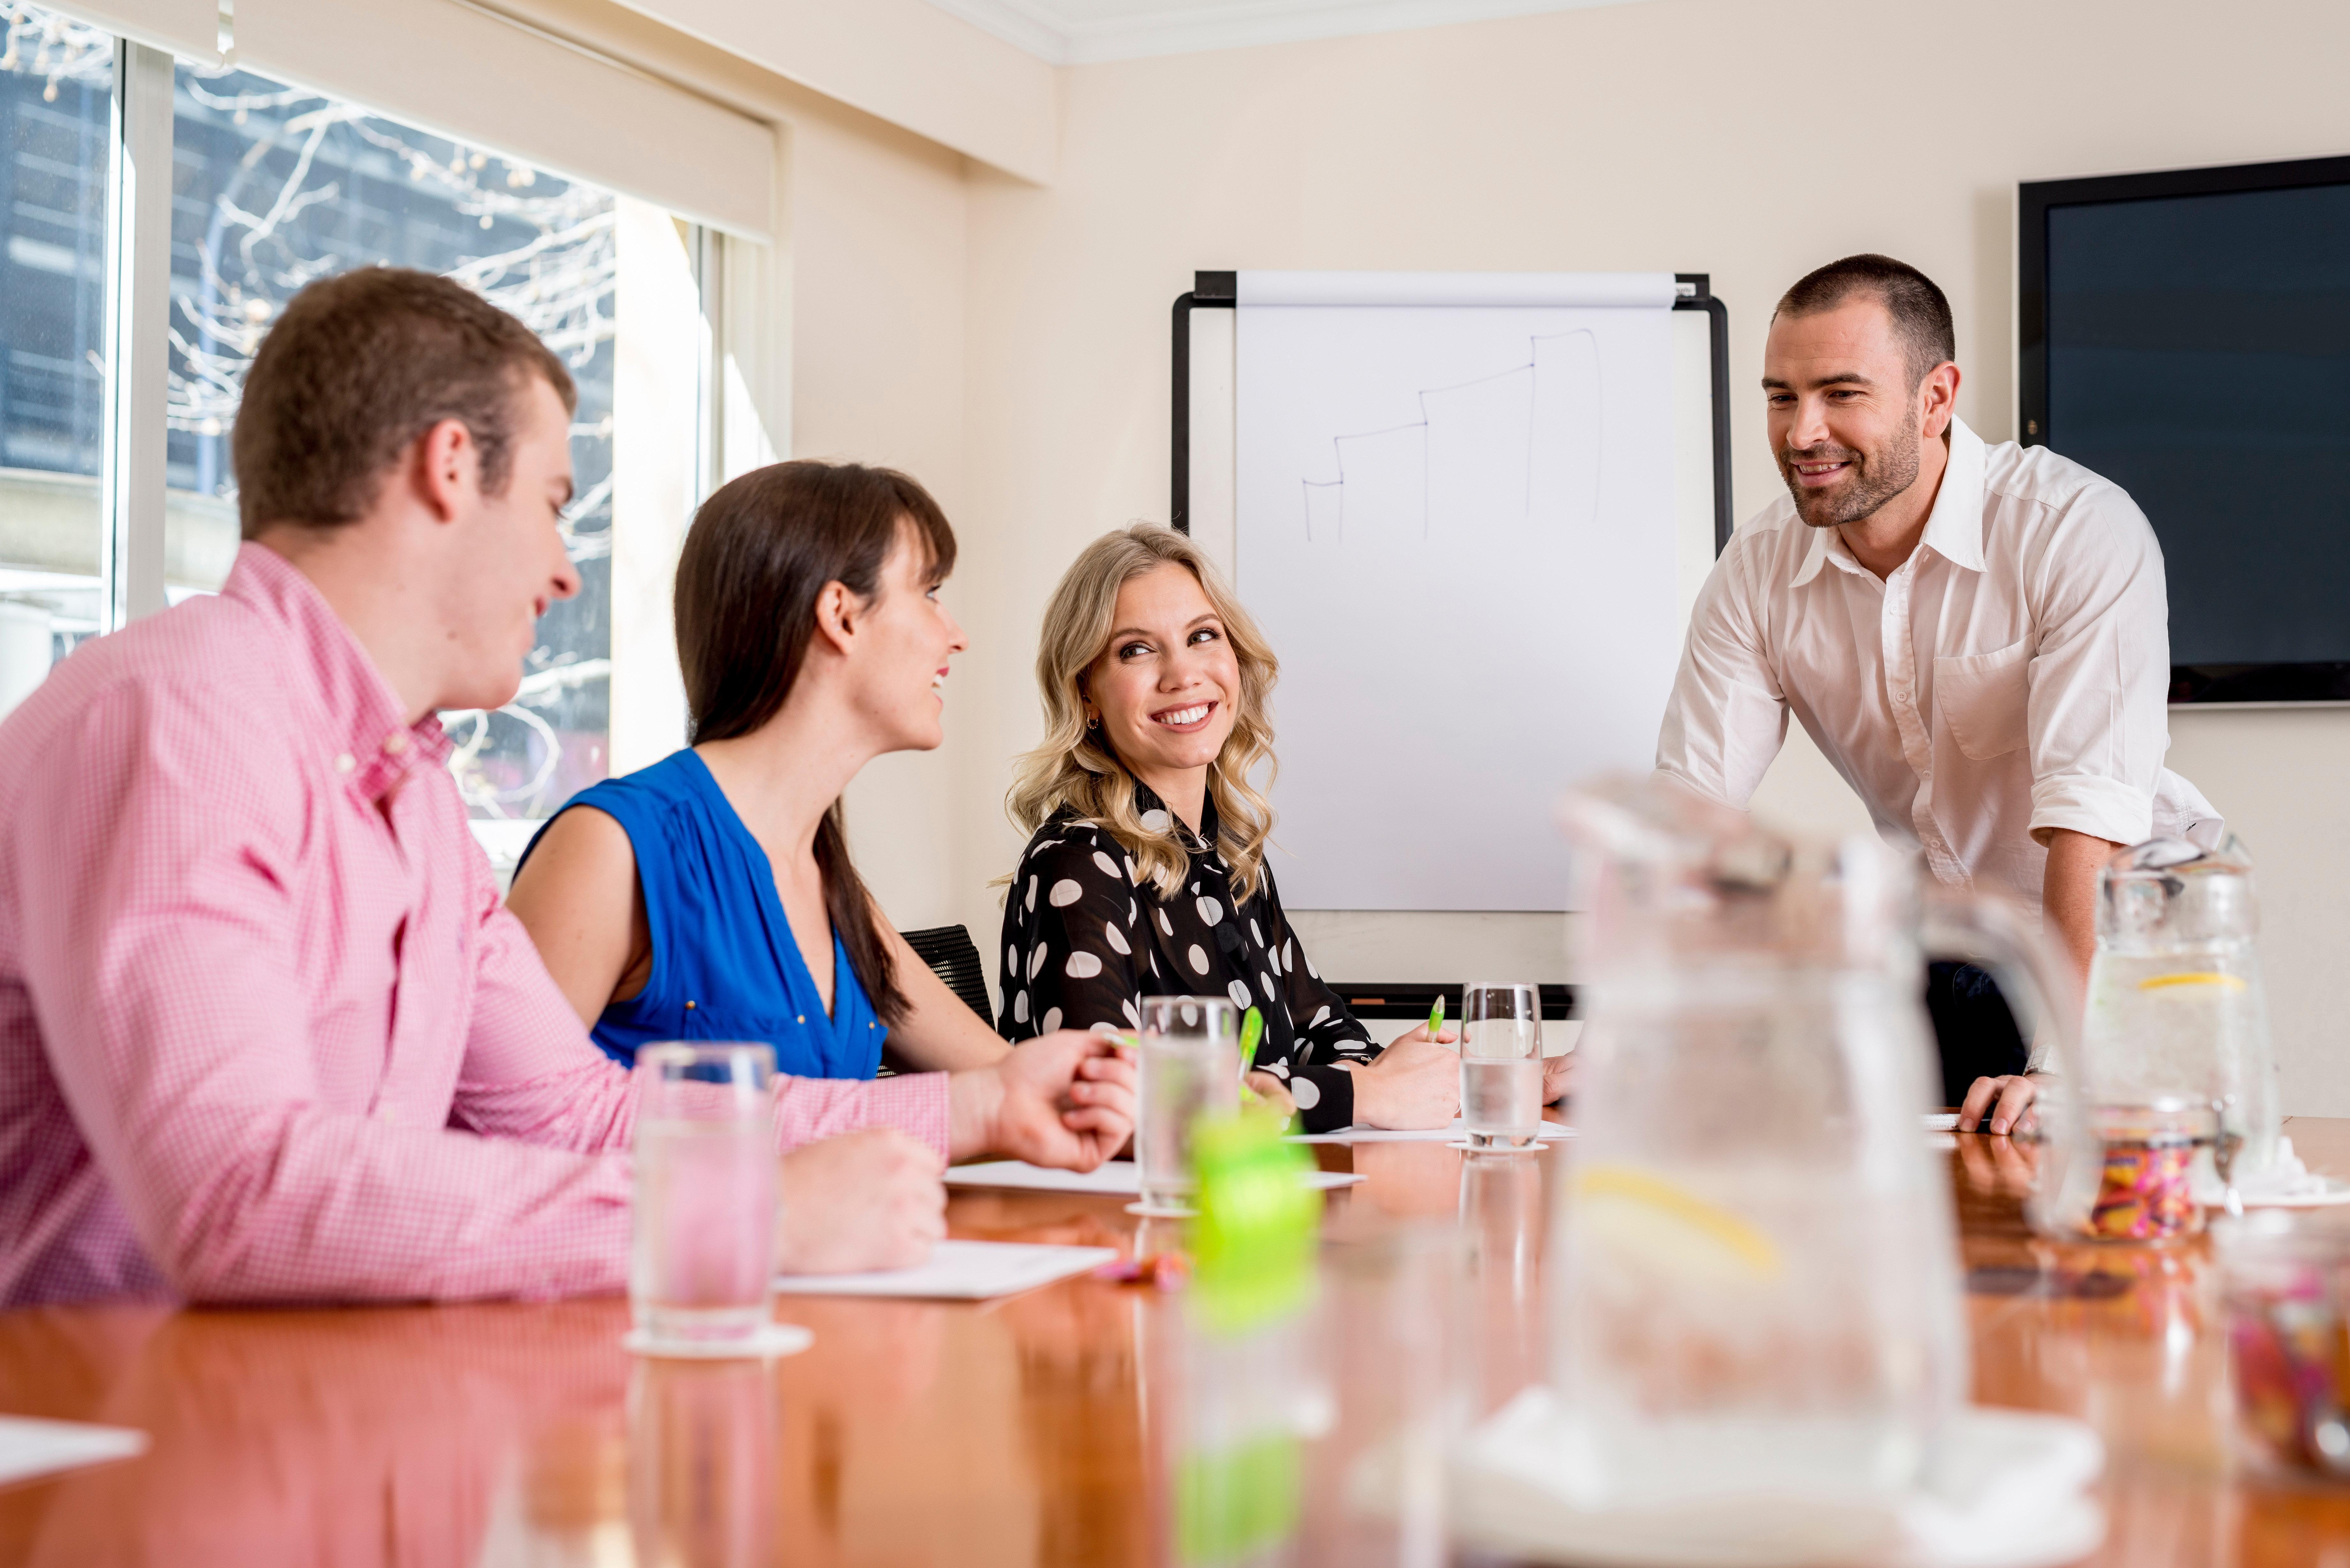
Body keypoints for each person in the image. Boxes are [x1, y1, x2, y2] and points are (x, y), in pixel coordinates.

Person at [0, 269, 1132, 1307]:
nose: (564, 567)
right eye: (551, 501)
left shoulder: (414, 797)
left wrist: (976, 1107)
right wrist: (741, 1215)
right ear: (450, 467)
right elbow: (237, 1194)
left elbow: (570, 1112)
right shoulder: (177, 720)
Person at [1654, 254, 2220, 1136]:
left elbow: (2090, 829)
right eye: (1780, 396)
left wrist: (2071, 1069)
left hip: (2133, 943)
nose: (1803, 433)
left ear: (1936, 397)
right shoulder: (1756, 572)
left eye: (1843, 394)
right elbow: (1687, 827)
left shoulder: (2076, 532)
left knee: (2129, 1235)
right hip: (1953, 952)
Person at [1000, 524, 1571, 1134]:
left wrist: (1428, 1073)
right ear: (1085, 690)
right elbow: (1111, 1102)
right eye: (1136, 650)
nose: (1182, 674)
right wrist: (1361, 1094)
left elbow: (1320, 1031)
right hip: (1119, 1224)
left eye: (1202, 637)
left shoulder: (1226, 854)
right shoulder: (1078, 862)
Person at [508, 462, 1039, 1083]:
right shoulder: (610, 849)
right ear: (840, 615)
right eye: (928, 593)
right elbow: (496, 1135)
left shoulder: (834, 887)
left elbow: (1011, 1083)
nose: (955, 635)